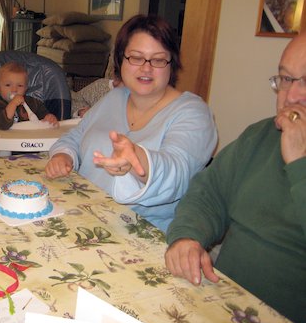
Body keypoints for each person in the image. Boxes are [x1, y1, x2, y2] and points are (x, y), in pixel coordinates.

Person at [164, 33, 306, 323]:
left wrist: (299, 164)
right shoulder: (261, 135)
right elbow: (209, 192)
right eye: (285, 79)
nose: (291, 96)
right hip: (222, 302)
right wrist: (188, 235)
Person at [45, 14, 217, 231]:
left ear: (171, 63)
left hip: (138, 230)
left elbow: (178, 172)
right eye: (136, 57)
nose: (146, 68)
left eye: (158, 59)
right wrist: (64, 155)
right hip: (83, 212)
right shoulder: (115, 97)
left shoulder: (193, 112)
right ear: (120, 59)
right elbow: (75, 136)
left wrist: (138, 160)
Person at [0, 61, 59, 130]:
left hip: (31, 138)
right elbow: (2, 125)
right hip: (9, 139)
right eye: (8, 85)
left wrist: (49, 118)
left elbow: (44, 116)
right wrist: (13, 104)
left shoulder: (33, 103)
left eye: (20, 85)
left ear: (25, 88)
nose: (14, 90)